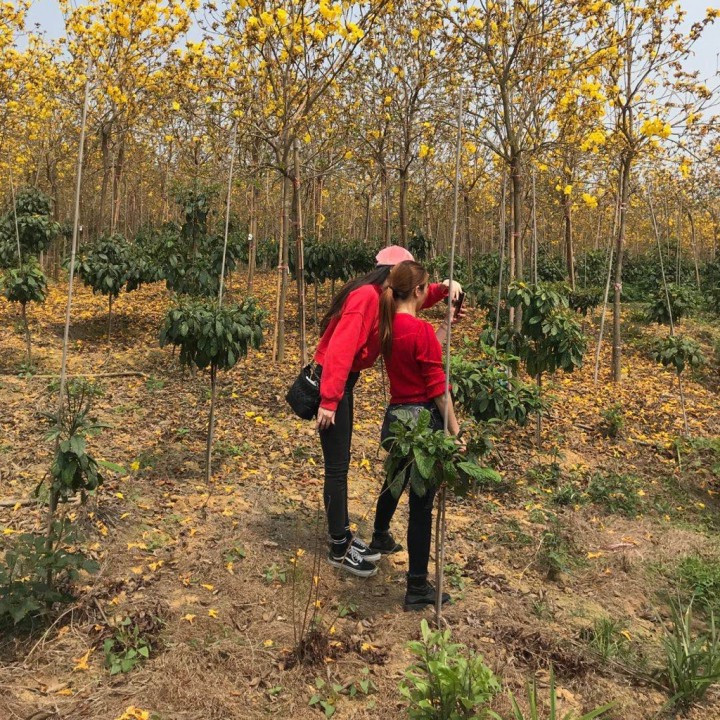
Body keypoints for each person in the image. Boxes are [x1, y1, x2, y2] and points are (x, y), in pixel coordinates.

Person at [315, 245, 461, 578]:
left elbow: (416, 297)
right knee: (337, 468)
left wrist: (444, 289)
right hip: (334, 380)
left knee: (343, 465)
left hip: (344, 382)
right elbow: (340, 348)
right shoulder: (366, 298)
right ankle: (339, 546)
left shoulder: (383, 298)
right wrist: (330, 398)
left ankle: (345, 536)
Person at [371, 260, 462, 610]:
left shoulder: (387, 325)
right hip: (422, 422)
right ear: (419, 291)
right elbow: (438, 390)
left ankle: (380, 534)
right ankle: (417, 585)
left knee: (394, 481)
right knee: (421, 506)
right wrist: (456, 432)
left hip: (397, 420)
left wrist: (444, 326)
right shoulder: (418, 331)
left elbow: (418, 355)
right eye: (427, 288)